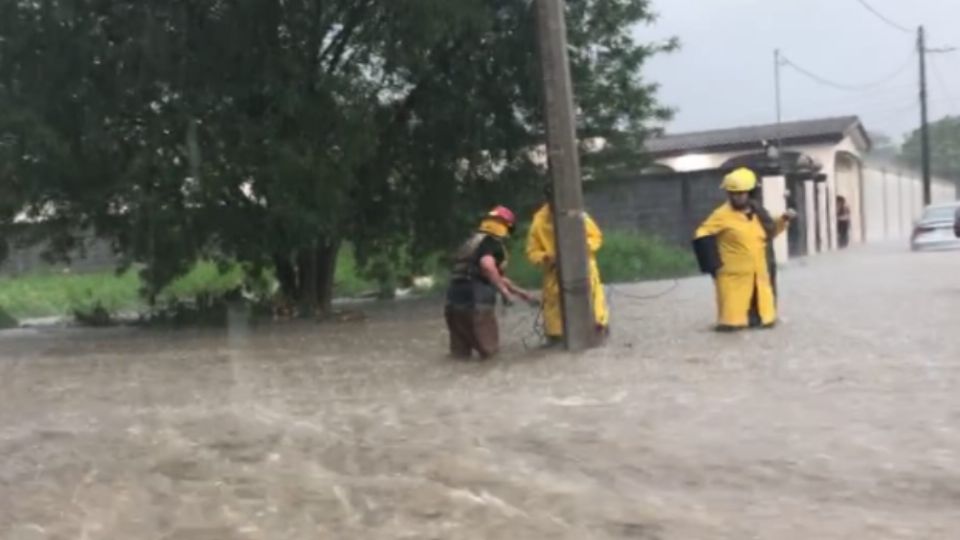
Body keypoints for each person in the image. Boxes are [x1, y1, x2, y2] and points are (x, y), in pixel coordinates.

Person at [694, 168, 795, 331]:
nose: (737, 196)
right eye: (733, 193)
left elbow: (769, 233)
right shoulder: (721, 215)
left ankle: (762, 319)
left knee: (765, 321)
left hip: (758, 276)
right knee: (733, 325)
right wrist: (711, 263)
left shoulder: (759, 214)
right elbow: (702, 233)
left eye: (741, 193)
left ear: (750, 193)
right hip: (733, 278)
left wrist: (783, 220)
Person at [444, 205, 535, 359]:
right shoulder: (492, 242)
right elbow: (487, 266)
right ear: (506, 226)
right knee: (490, 356)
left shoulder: (470, 243)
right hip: (477, 303)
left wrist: (520, 293)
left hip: (453, 305)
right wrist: (504, 292)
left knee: (459, 357)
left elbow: (493, 274)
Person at [526, 184, 609, 345]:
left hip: (583, 268)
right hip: (554, 272)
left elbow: (596, 237)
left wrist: (581, 248)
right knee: (555, 306)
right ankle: (556, 337)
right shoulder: (539, 220)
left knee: (592, 300)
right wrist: (546, 258)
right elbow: (532, 251)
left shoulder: (579, 215)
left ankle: (598, 329)